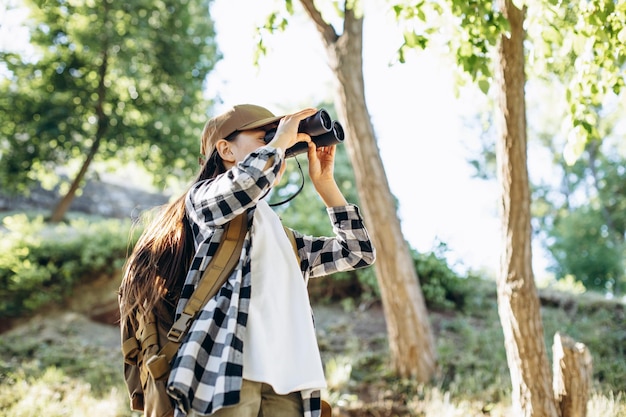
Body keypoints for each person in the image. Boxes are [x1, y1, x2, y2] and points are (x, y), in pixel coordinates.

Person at [119, 104, 376, 417]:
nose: (275, 145)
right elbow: (245, 185)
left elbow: (358, 252)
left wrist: (326, 185)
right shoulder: (203, 201)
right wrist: (279, 143)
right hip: (224, 371)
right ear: (225, 149)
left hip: (291, 382)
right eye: (263, 137)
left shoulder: (284, 238)